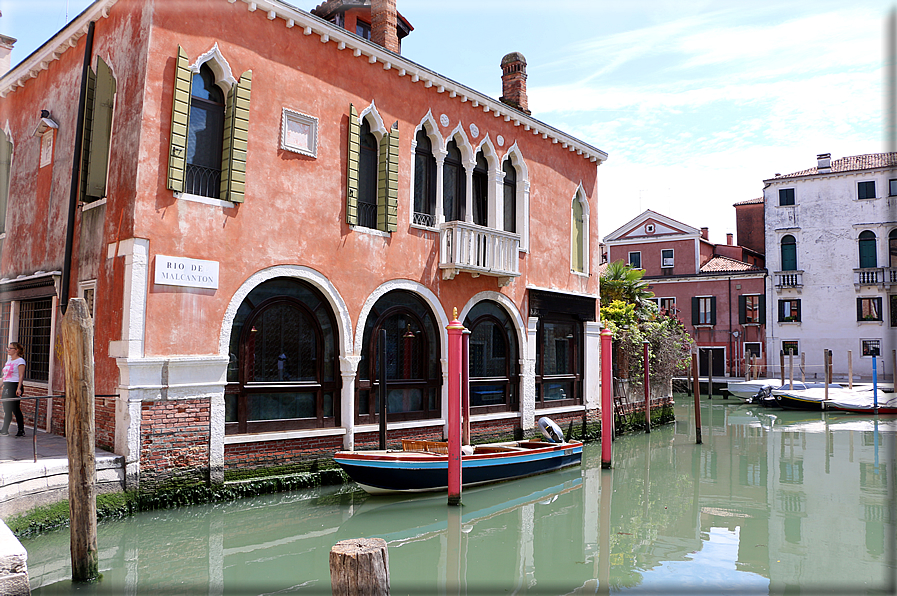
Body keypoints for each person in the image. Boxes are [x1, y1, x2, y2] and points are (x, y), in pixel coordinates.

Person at [1, 342, 26, 436]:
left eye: (10, 348)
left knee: (15, 408)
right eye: (8, 348)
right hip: (7, 386)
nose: (8, 350)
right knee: (6, 408)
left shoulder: (20, 361)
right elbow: (4, 376)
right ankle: (5, 429)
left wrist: (19, 388)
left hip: (14, 385)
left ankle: (21, 430)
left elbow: (21, 375)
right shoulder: (9, 361)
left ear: (16, 350)